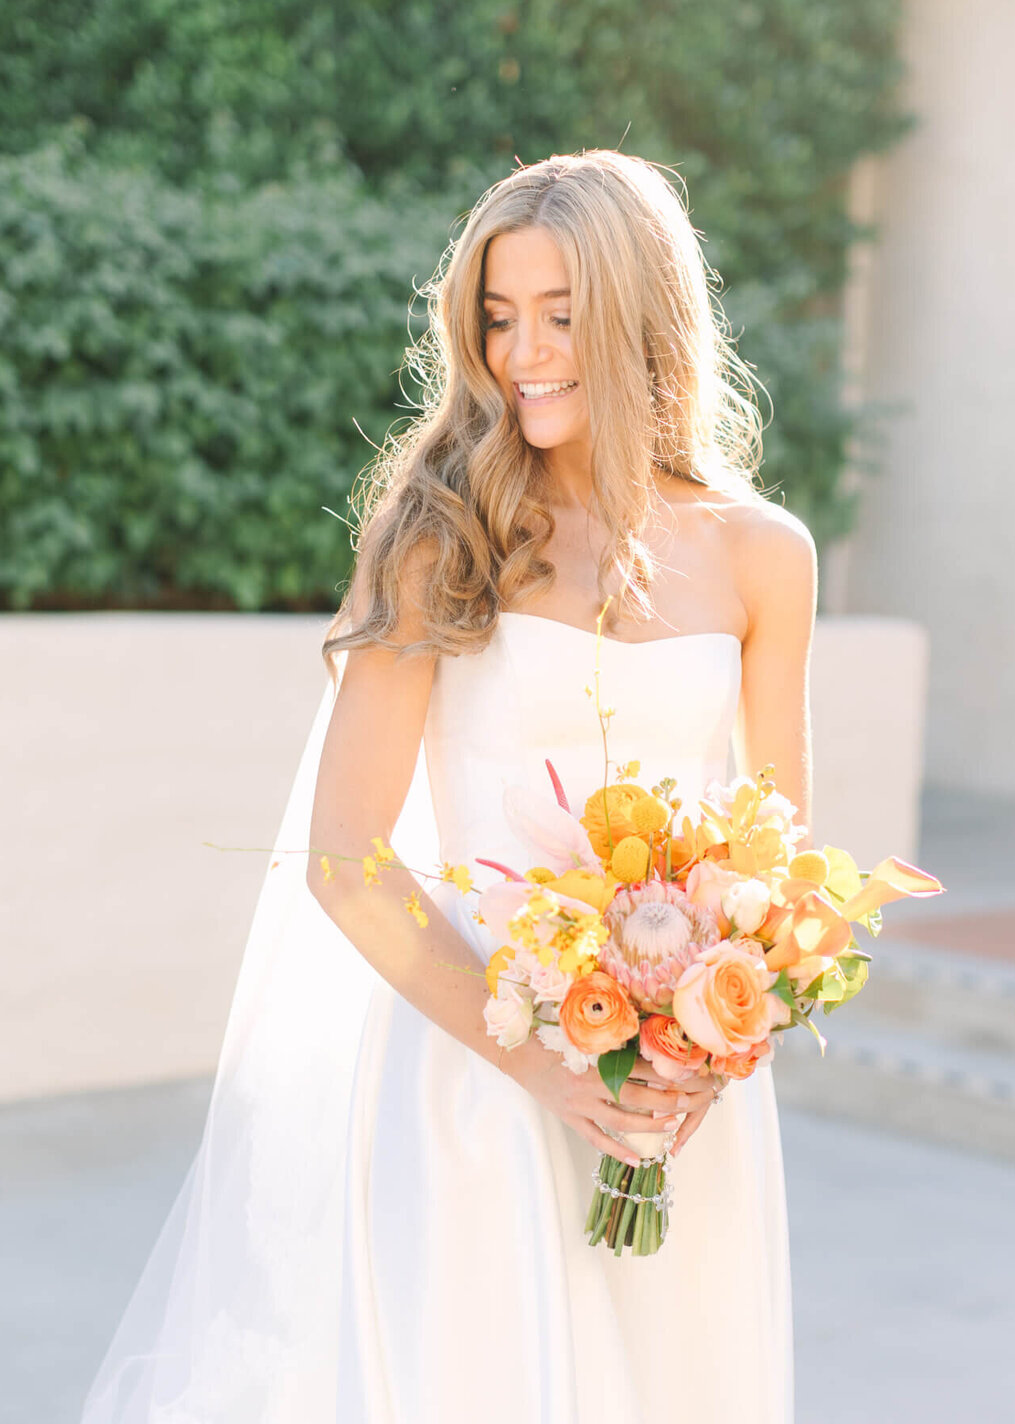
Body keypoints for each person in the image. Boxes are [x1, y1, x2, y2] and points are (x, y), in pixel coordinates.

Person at [80, 148, 816, 1424]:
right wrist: (544, 1067)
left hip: (678, 1109)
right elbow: (346, 854)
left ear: (642, 316)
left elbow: (788, 862)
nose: (522, 351)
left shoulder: (765, 557)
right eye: (497, 317)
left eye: (560, 316)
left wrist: (704, 1046)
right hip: (468, 1083)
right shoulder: (444, 531)